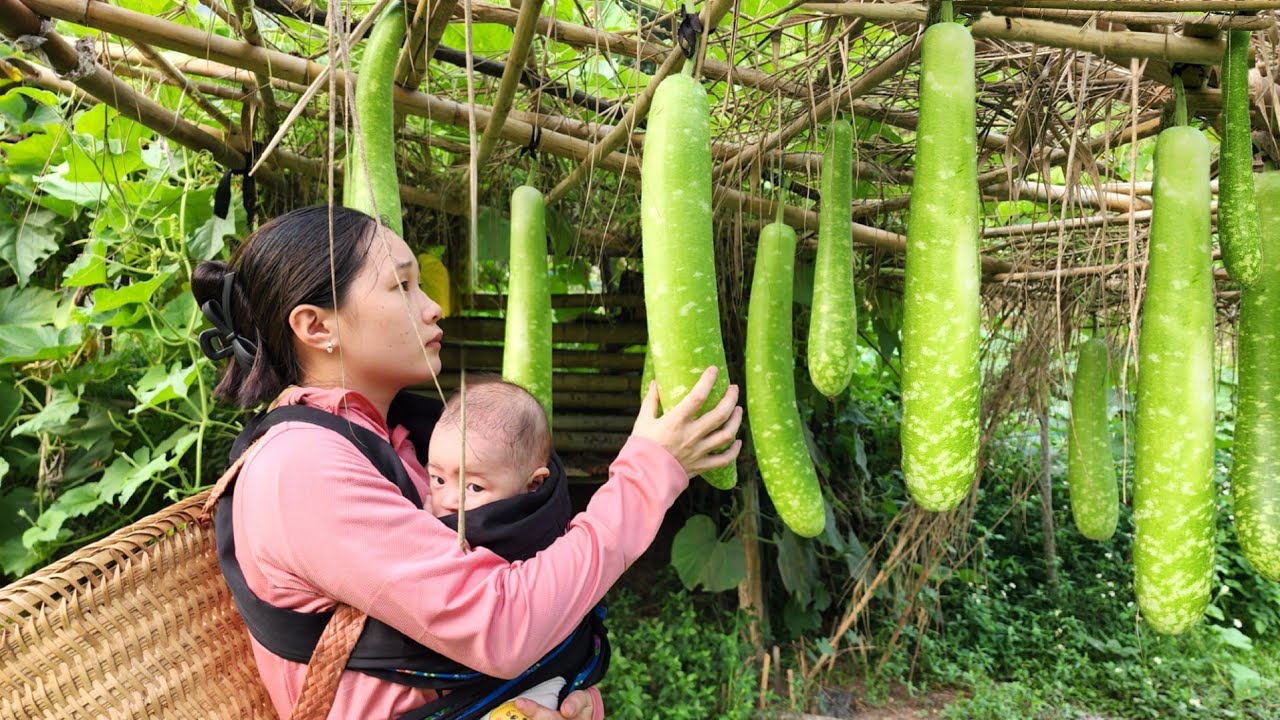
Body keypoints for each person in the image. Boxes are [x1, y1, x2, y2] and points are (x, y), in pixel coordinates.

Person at [192, 204, 742, 720]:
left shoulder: (392, 439)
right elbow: (501, 623)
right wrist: (649, 474)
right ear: (317, 327)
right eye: (402, 286)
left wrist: (562, 693)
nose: (434, 307)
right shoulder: (302, 467)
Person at [422, 379, 581, 720]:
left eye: (474, 486)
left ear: (533, 484)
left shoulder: (533, 536)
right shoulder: (421, 514)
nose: (449, 500)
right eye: (437, 478)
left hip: (528, 684)